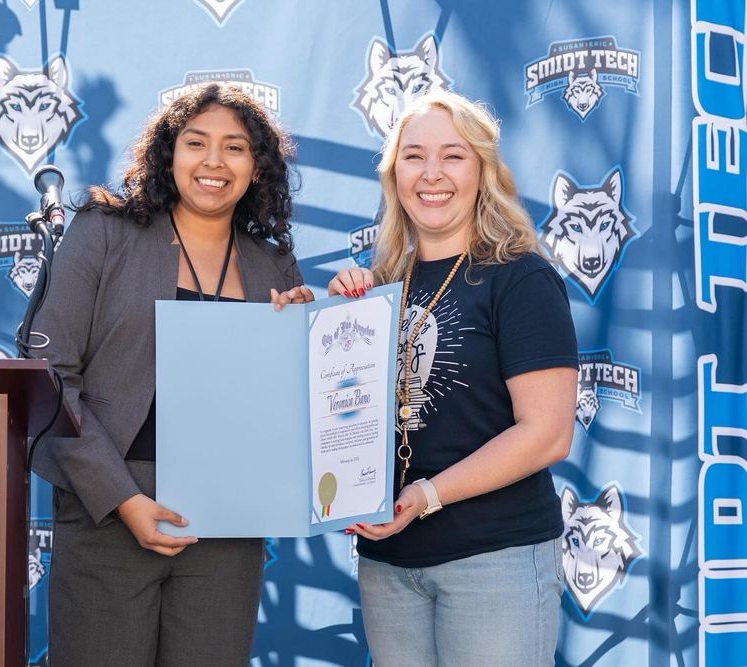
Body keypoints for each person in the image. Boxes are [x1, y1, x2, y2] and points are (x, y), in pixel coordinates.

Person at [30, 83, 312, 667]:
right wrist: (122, 498)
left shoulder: (275, 266)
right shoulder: (103, 232)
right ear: (169, 153)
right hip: (108, 507)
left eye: (235, 147)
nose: (214, 161)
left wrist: (308, 334)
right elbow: (50, 376)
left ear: (258, 166)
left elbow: (292, 409)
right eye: (196, 142)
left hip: (229, 522)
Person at [329, 89, 578, 666]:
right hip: (388, 565)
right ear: (394, 175)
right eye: (414, 156)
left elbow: (547, 433)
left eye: (454, 155)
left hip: (494, 560)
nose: (432, 173)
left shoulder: (520, 279)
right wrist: (323, 322)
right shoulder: (379, 288)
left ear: (483, 171)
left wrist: (426, 496)